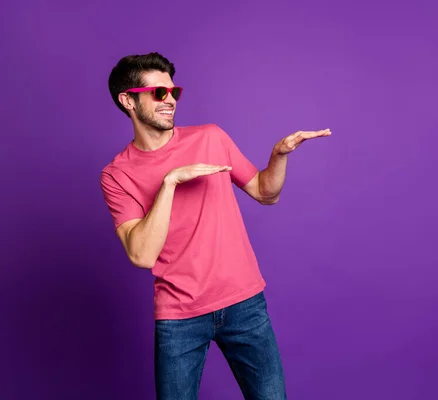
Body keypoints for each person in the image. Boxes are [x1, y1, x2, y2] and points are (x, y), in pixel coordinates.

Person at [100, 52, 331, 400]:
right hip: (179, 316)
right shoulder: (117, 174)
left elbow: (264, 193)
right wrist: (170, 182)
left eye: (173, 92)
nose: (170, 101)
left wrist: (278, 156)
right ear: (128, 100)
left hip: (244, 303)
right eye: (158, 93)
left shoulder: (210, 137)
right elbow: (142, 254)